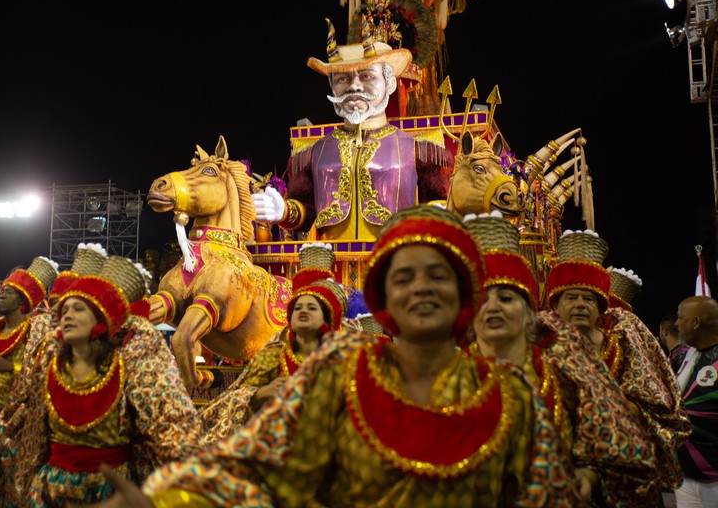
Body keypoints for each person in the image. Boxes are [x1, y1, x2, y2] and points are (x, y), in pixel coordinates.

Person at [88, 204, 581, 507]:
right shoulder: (343, 371)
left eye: (439, 274)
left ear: (465, 293)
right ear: (384, 298)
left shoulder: (510, 397)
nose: (422, 288)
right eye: (403, 277)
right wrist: (165, 501)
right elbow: (249, 463)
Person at [465, 211, 661, 505]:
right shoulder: (448, 370)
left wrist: (586, 476)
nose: (493, 308)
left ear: (527, 309)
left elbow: (609, 440)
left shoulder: (561, 363)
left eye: (506, 298)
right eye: (482, 298)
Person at [0, 254, 203, 507]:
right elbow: (27, 421)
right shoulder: (51, 354)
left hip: (111, 489)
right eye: (65, 308)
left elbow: (171, 426)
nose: (67, 315)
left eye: (79, 308)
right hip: (49, 489)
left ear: (101, 319)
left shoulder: (135, 350)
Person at [252, 1, 447, 249]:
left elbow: (441, 203)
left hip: (394, 268)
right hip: (330, 272)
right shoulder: (315, 152)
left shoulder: (417, 148)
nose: (354, 86)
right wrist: (283, 212)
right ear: (332, 87)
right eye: (342, 78)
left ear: (390, 84)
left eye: (367, 76)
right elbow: (306, 212)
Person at [543, 230, 691, 499]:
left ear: (601, 307)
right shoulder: (540, 348)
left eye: (588, 298)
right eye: (570, 297)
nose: (579, 305)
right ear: (555, 304)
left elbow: (656, 408)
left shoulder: (625, 343)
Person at [197, 242, 348, 444]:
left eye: (311, 308)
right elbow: (229, 402)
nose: (302, 312)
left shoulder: (345, 358)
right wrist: (258, 394)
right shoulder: (273, 356)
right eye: (297, 308)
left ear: (326, 318)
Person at [0, 255, 58, 508]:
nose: (0, 295)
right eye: (2, 291)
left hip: (22, 422)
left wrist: (9, 367)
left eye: (8, 292)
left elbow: (43, 372)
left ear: (23, 300)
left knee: (20, 488)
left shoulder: (38, 327)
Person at [673, 295, 718, 507]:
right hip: (685, 477)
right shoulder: (689, 355)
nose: (676, 323)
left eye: (680, 317)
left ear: (696, 322)